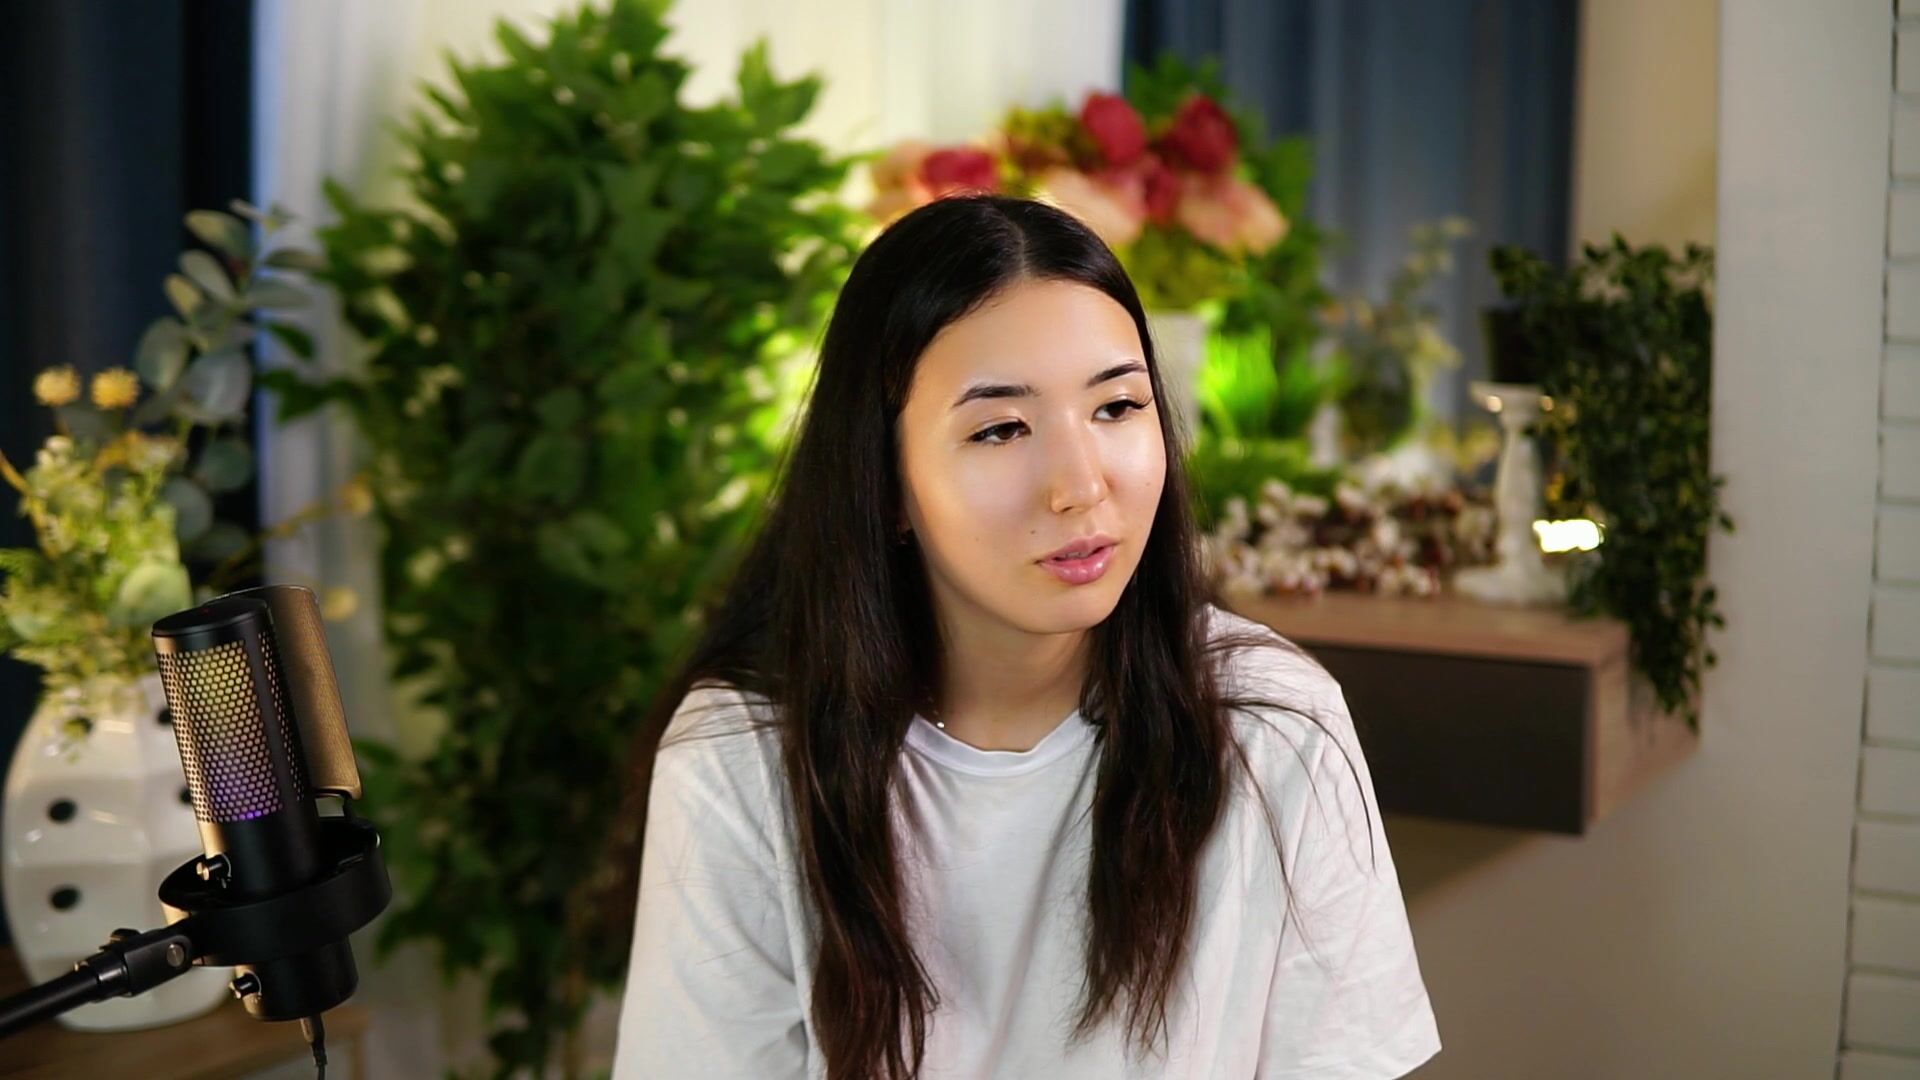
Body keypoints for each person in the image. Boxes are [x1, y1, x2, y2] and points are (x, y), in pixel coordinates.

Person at [600, 194, 1440, 1079]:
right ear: (884, 483)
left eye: (1117, 408)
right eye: (1001, 428)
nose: (1080, 485)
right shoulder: (746, 753)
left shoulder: (1272, 723)